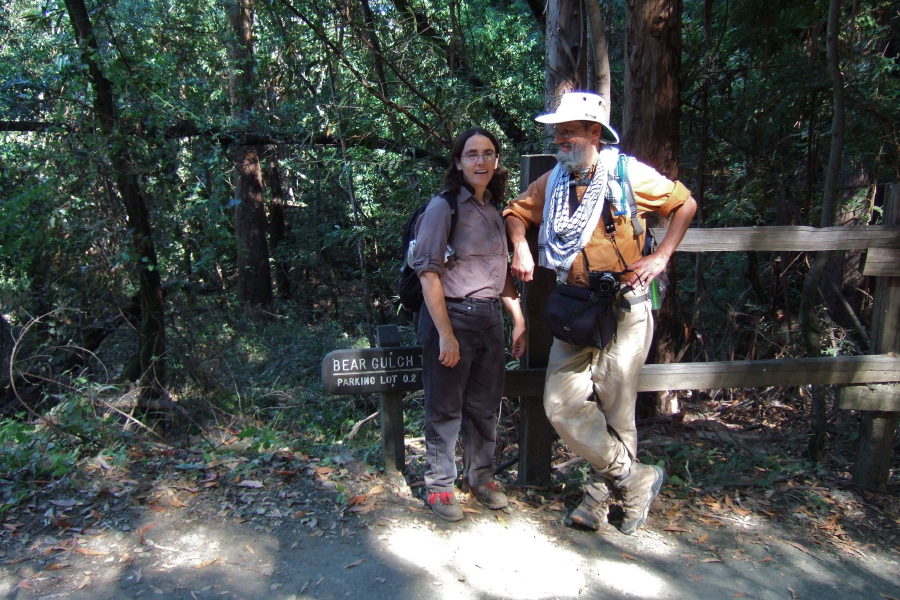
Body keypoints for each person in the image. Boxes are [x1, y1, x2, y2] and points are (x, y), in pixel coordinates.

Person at [503, 92, 697, 535]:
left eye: (568, 130)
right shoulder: (554, 181)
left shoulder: (627, 174)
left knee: (616, 405)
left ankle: (598, 500)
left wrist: (662, 256)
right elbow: (515, 212)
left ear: (595, 133)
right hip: (575, 305)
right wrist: (519, 244)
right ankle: (634, 478)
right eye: (558, 131)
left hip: (624, 306)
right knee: (560, 402)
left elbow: (683, 203)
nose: (559, 138)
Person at [412, 127, 527, 522]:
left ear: (497, 161)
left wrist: (518, 318)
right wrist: (445, 334)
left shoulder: (494, 209)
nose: (481, 161)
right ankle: (440, 486)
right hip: (453, 315)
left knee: (484, 405)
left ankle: (481, 477)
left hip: (489, 319)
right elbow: (428, 273)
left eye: (488, 153)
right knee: (445, 407)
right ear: (458, 162)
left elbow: (501, 272)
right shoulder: (443, 207)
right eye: (472, 154)